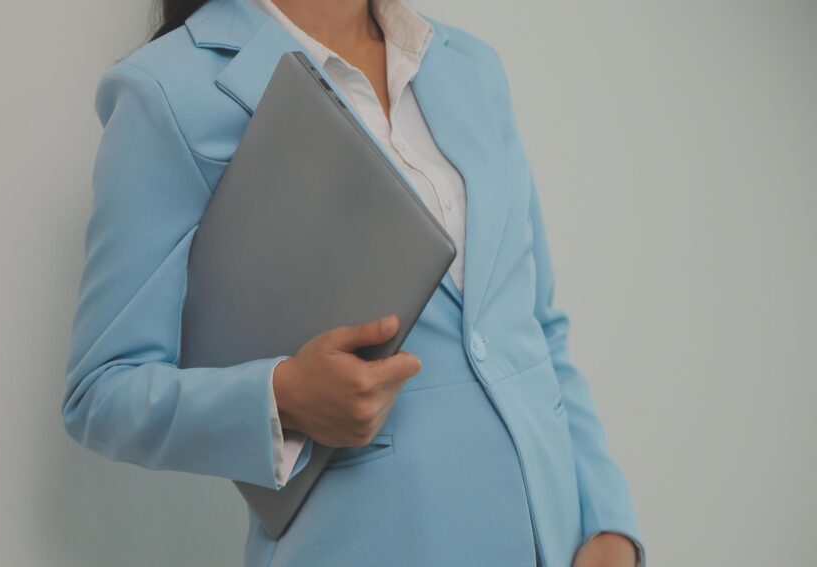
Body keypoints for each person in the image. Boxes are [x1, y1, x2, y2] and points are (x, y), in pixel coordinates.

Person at [61, 0, 645, 565]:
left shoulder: (470, 65)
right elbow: (103, 392)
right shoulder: (168, 90)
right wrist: (282, 397)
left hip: (561, 539)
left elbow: (535, 325)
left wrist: (609, 524)